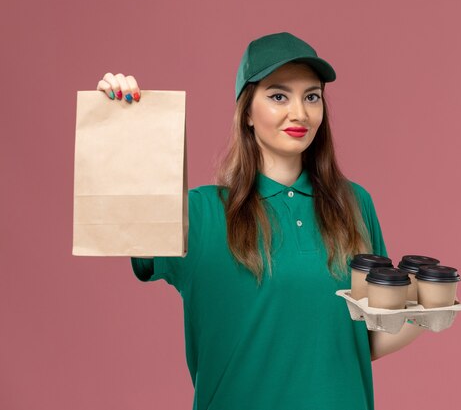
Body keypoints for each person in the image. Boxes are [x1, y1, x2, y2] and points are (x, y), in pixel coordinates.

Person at [96, 32, 426, 410]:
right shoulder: (201, 213)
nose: (299, 112)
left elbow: (362, 340)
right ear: (247, 112)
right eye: (278, 96)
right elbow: (116, 218)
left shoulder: (354, 204)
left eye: (312, 96)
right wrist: (121, 122)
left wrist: (425, 314)